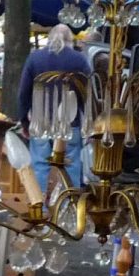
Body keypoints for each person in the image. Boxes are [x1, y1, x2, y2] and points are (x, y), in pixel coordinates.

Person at [18, 24, 92, 189]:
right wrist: (89, 122)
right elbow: (88, 94)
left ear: (49, 38)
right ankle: (68, 206)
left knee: (40, 165)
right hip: (70, 122)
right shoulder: (79, 60)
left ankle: (40, 207)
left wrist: (24, 120)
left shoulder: (35, 58)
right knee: (70, 165)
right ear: (70, 39)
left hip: (40, 121)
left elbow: (24, 92)